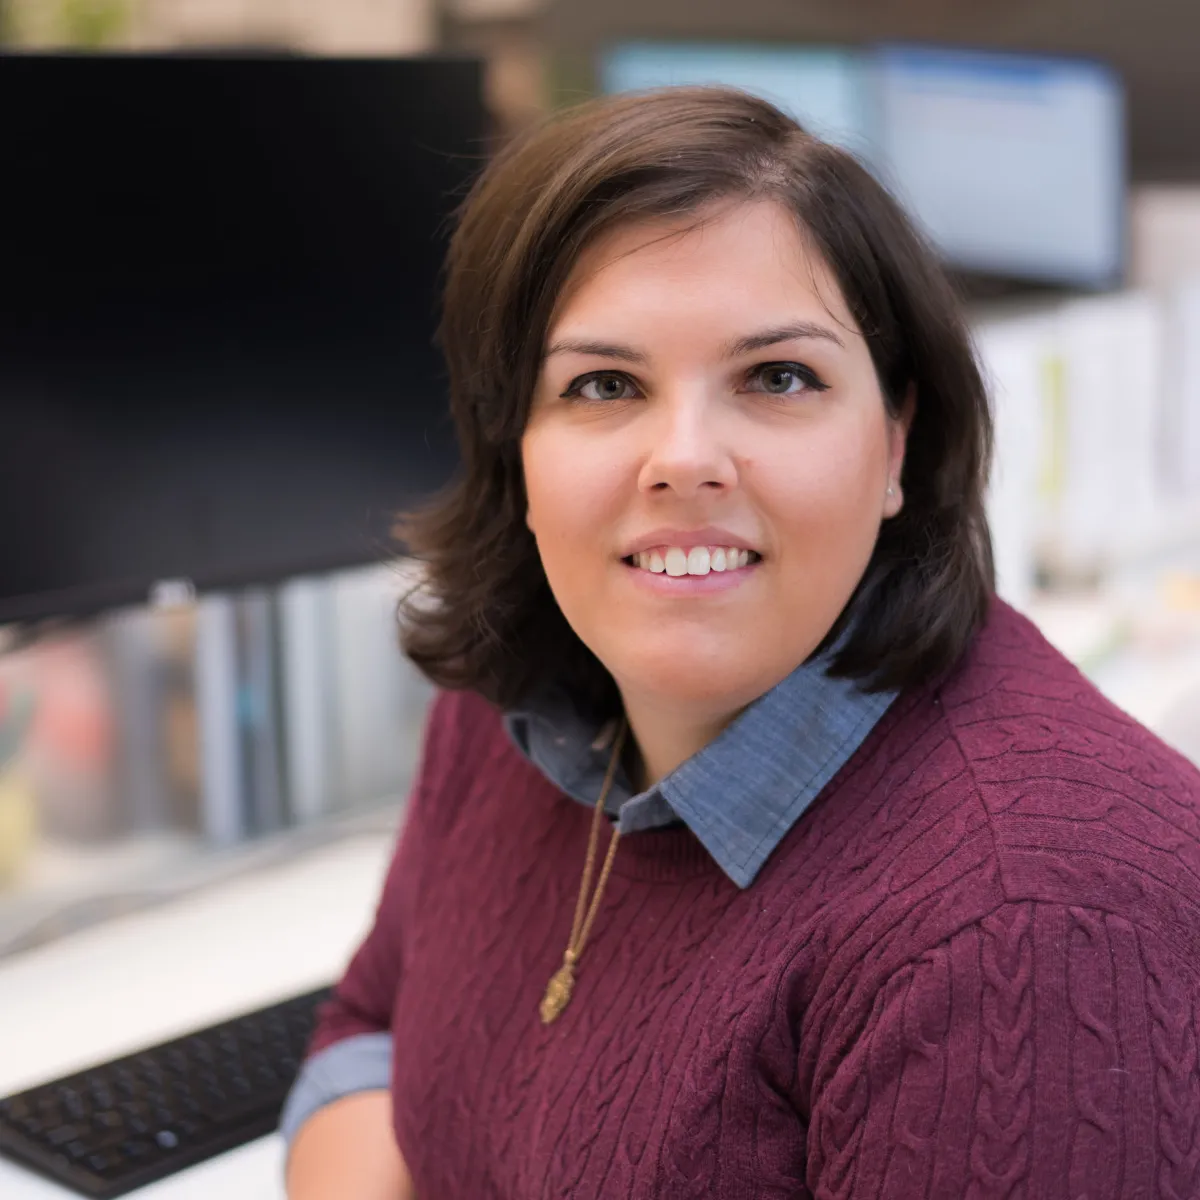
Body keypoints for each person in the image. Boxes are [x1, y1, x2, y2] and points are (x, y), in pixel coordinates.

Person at [281, 86, 1200, 1199]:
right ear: (512, 446)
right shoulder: (521, 692)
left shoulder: (1033, 925)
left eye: (777, 378)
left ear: (896, 438)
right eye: (604, 384)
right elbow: (369, 1033)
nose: (683, 460)